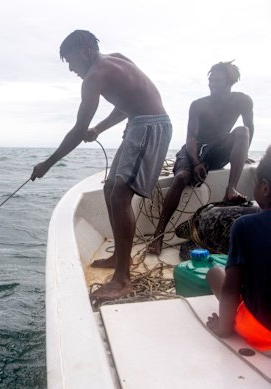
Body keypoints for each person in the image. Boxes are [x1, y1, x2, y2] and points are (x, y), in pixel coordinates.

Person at [30, 30, 172, 304]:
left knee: (120, 194)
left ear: (84, 50)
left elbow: (77, 130)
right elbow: (124, 106)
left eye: (71, 61)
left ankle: (122, 280)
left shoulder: (95, 75)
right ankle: (120, 256)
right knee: (110, 189)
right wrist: (100, 128)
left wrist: (48, 163)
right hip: (139, 123)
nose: (71, 69)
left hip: (149, 125)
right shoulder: (117, 60)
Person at [148, 61, 254, 255]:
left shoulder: (242, 101)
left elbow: (249, 129)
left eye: (217, 80)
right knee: (181, 178)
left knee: (242, 131)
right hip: (194, 150)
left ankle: (230, 190)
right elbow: (191, 139)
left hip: (218, 149)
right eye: (210, 79)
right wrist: (196, 162)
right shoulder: (198, 105)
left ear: (230, 81)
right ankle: (158, 236)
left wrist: (242, 152)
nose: (212, 83)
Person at [205, 145, 271, 355]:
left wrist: (224, 330)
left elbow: (231, 288)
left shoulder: (244, 226)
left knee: (215, 273)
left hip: (262, 334)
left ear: (265, 187)